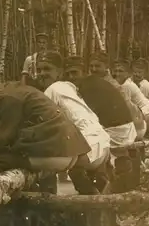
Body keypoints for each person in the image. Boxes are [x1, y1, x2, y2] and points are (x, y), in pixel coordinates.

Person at [0, 67, 95, 226]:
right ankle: (39, 225)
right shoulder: (20, 90)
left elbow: (2, 137)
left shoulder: (7, 97)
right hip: (66, 151)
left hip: (55, 152)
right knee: (13, 166)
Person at [34, 51, 112, 195]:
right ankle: (95, 203)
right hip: (101, 143)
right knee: (76, 173)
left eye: (47, 69)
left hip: (88, 146)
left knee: (41, 160)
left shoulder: (52, 90)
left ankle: (48, 203)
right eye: (38, 70)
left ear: (59, 72)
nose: (41, 73)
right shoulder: (68, 87)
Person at [63, 55, 139, 193]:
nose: (71, 77)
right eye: (68, 74)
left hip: (116, 132)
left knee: (76, 162)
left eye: (75, 73)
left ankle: (93, 198)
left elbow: (88, 118)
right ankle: (102, 186)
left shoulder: (87, 87)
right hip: (125, 129)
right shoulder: (94, 82)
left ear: (84, 72)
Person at [89, 52, 147, 140]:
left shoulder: (108, 84)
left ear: (106, 67)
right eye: (91, 66)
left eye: (97, 66)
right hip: (136, 124)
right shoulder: (105, 81)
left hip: (133, 128)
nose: (93, 69)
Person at [111, 59, 149, 132]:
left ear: (128, 74)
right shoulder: (129, 83)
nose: (117, 74)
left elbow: (126, 107)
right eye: (116, 71)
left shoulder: (127, 86)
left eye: (120, 71)